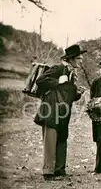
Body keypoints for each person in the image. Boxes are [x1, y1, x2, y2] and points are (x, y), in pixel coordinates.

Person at [34, 44, 86, 180]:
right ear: (72, 59)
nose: (81, 60)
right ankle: (48, 172)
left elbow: (68, 96)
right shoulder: (58, 69)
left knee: (62, 138)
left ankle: (60, 170)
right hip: (51, 111)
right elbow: (40, 81)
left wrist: (78, 93)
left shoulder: (72, 74)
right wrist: (58, 80)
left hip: (63, 113)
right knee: (50, 141)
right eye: (79, 58)